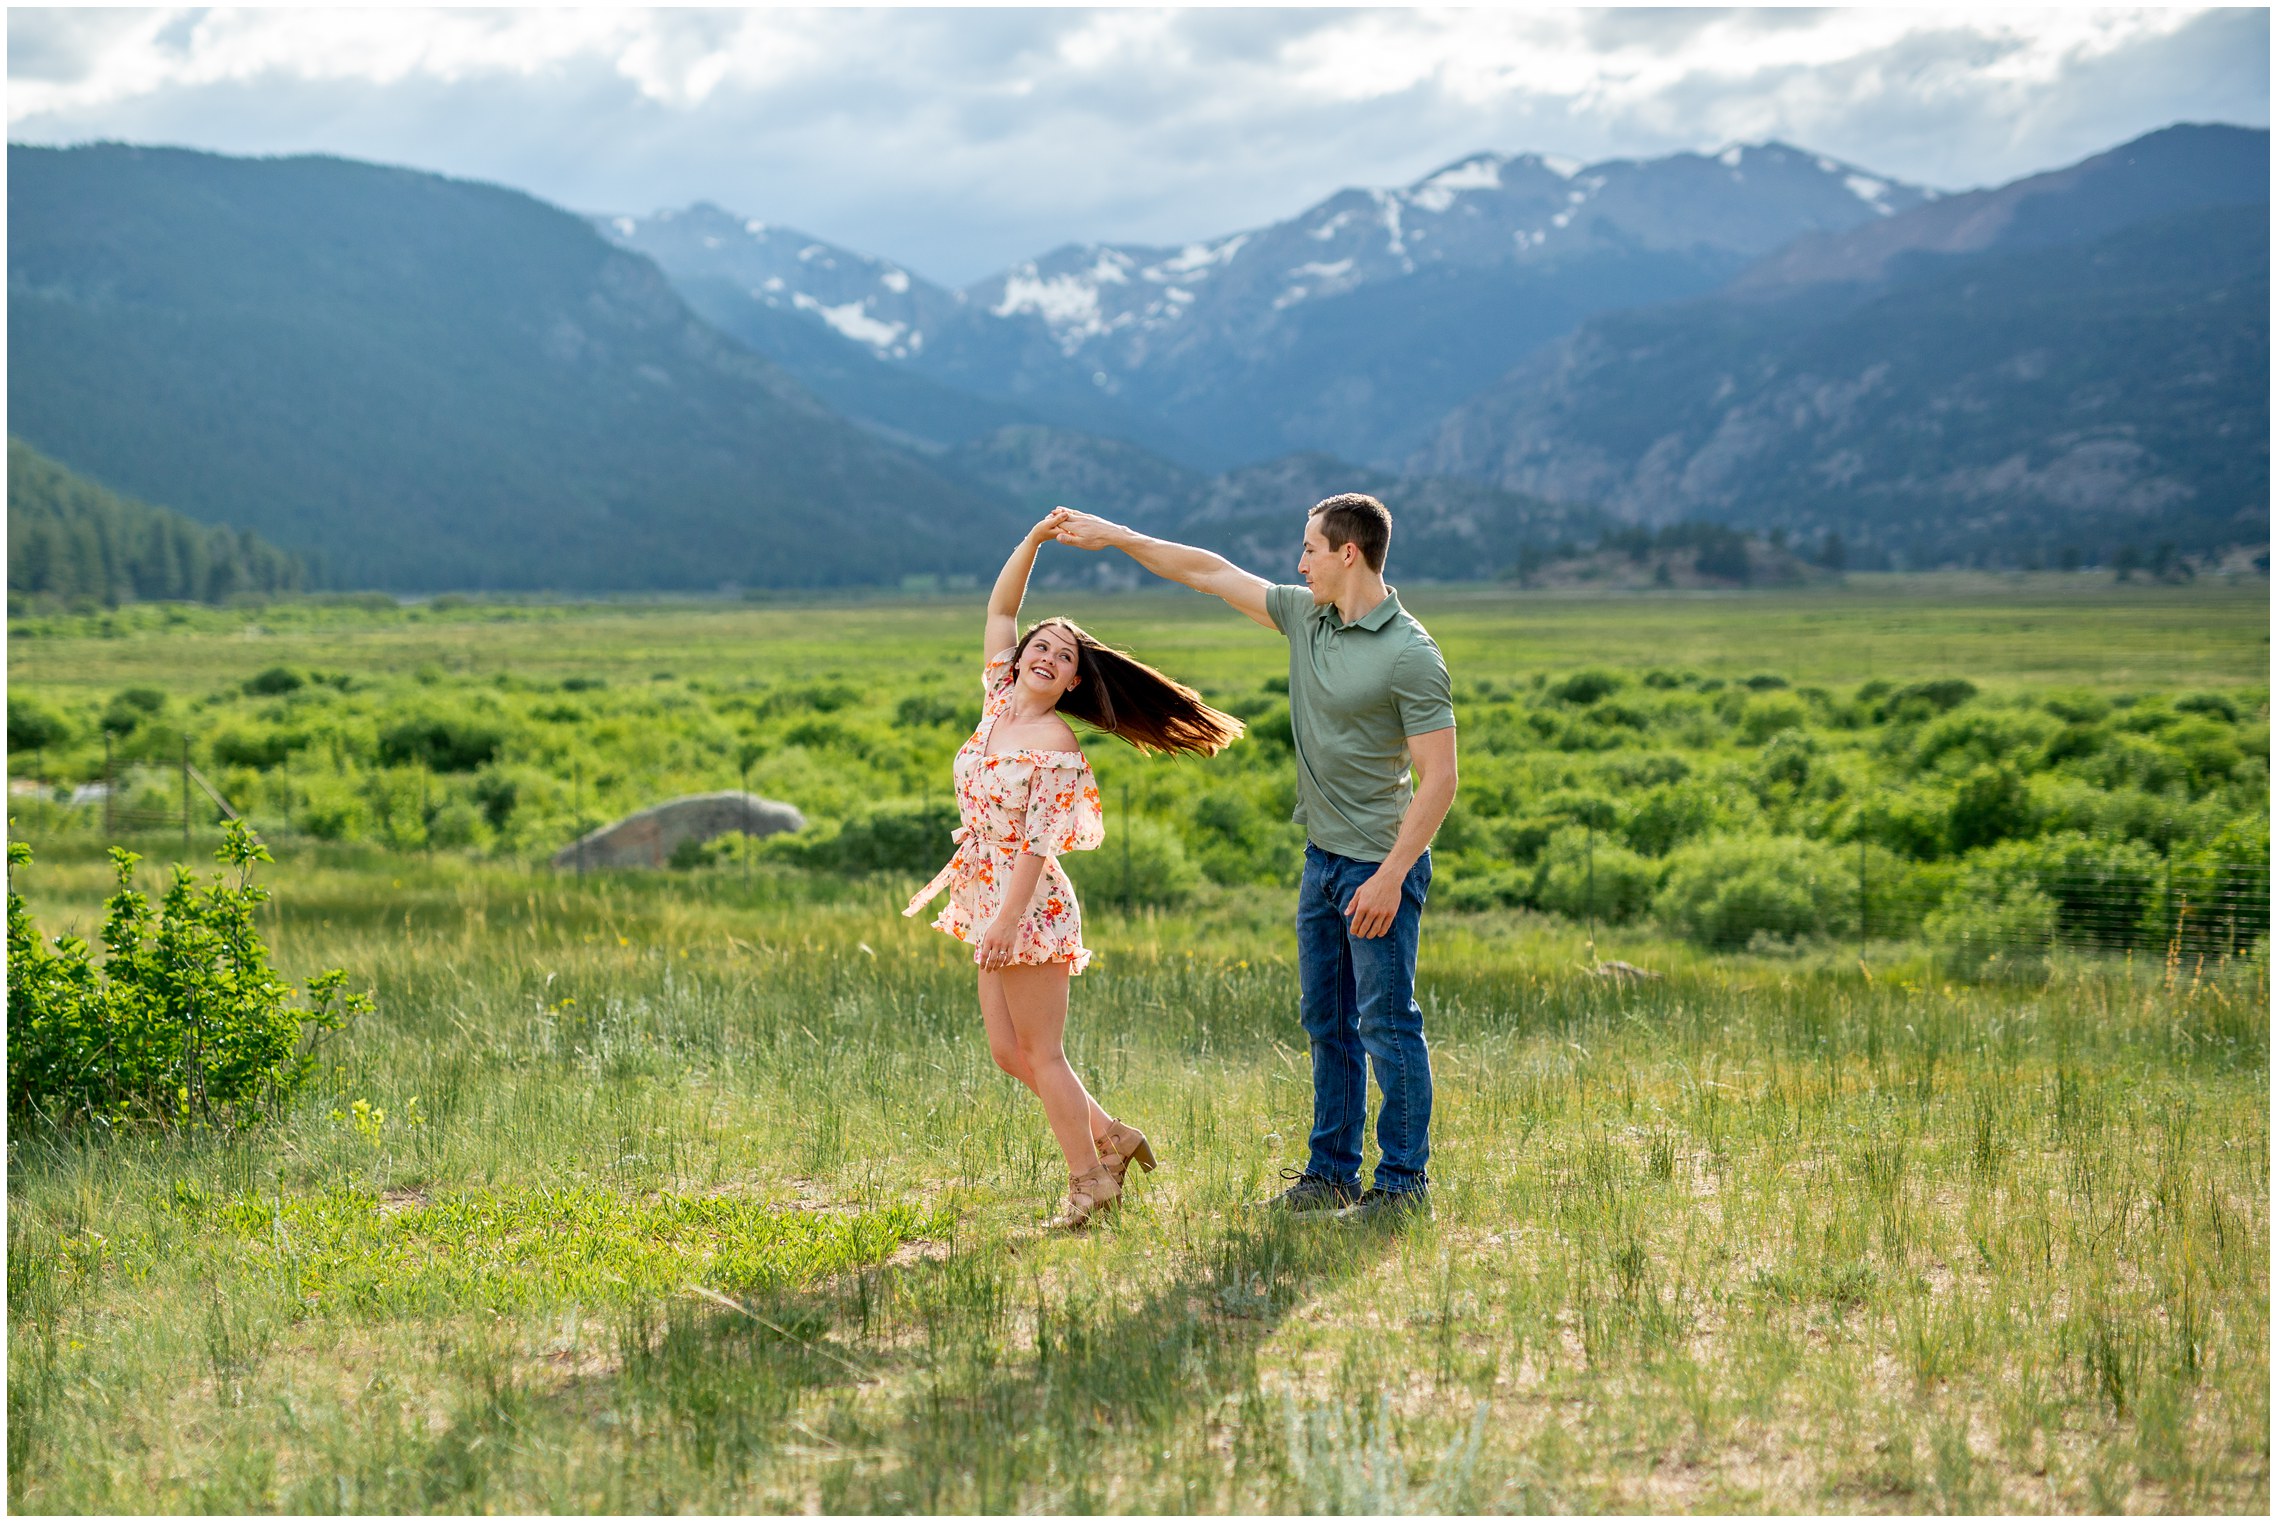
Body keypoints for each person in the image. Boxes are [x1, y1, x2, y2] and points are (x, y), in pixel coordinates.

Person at [1052, 494, 1457, 1224]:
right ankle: (1330, 1175)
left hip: (1378, 868)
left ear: (1347, 553)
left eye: (1308, 549)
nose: (1297, 563)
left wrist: (1391, 877)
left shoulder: (1409, 653)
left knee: (1387, 1027)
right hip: (1322, 860)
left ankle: (1402, 1187)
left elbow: (1440, 779)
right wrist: (1116, 534)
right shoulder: (1308, 616)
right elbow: (1206, 570)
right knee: (1325, 1023)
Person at [906, 508, 1246, 1229]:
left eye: (1065, 659)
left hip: (1027, 903)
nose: (1049, 657)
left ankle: (1090, 1180)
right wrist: (1030, 540)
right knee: (1008, 1051)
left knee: (1043, 1052)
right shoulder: (998, 697)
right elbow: (1002, 606)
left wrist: (1003, 921)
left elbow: (1036, 844)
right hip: (986, 887)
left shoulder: (1054, 742)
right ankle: (1113, 1136)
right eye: (1044, 645)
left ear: (1069, 685)